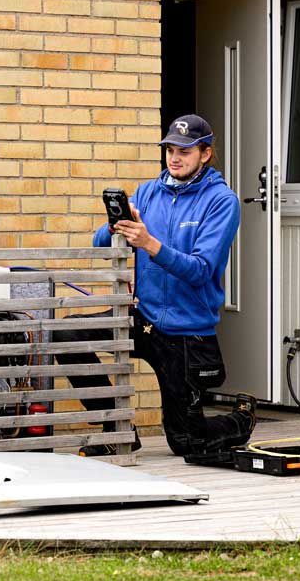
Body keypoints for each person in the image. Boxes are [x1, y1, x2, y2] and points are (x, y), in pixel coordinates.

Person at [53, 113, 257, 463]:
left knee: (187, 443)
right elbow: (100, 245)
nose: (174, 158)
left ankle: (242, 416)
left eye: (184, 151)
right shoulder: (148, 192)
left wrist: (149, 243)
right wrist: (117, 224)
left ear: (205, 154)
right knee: (65, 334)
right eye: (169, 150)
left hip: (186, 330)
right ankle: (116, 429)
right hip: (143, 317)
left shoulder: (222, 201)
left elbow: (200, 270)